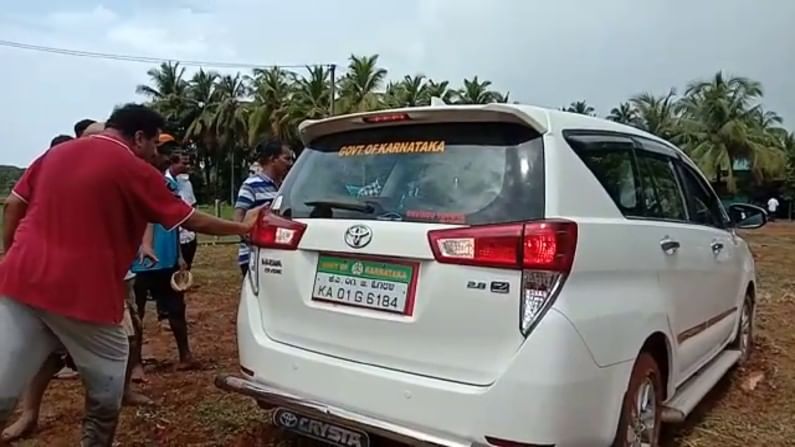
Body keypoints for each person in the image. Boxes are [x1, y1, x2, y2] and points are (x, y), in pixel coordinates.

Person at [0, 104, 260, 446]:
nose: (156, 153)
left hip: (20, 281)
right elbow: (191, 219)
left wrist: (11, 252)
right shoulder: (134, 169)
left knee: (4, 382)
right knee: (107, 380)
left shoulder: (56, 154)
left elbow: (15, 203)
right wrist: (243, 227)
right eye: (155, 144)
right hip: (83, 295)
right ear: (138, 137)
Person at [131, 134, 197, 370]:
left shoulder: (171, 186)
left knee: (177, 308)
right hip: (138, 262)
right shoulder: (135, 183)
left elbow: (176, 222)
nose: (167, 157)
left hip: (167, 258)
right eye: (163, 151)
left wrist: (180, 255)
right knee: (135, 313)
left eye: (170, 152)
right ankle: (135, 362)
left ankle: (185, 356)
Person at [234, 138, 294, 276]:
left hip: (278, 258)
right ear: (272, 159)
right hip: (254, 258)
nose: (290, 164)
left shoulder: (286, 187)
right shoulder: (251, 185)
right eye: (286, 159)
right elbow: (238, 221)